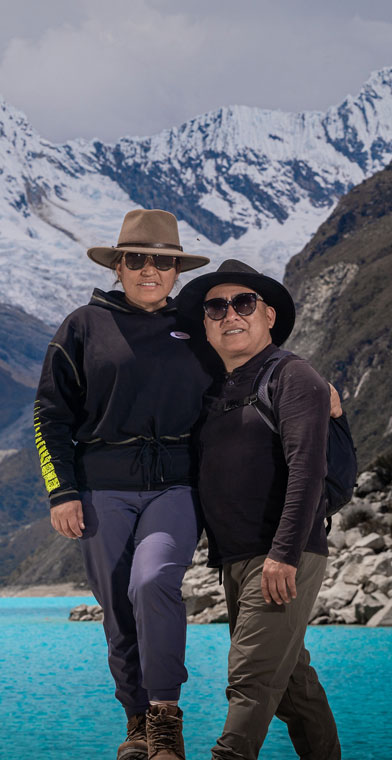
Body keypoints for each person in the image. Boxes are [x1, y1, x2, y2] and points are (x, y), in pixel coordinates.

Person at [34, 209, 214, 760]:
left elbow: (249, 365)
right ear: (118, 266)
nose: (150, 270)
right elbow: (49, 414)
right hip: (99, 491)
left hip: (176, 488)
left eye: (162, 262)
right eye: (137, 260)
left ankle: (165, 718)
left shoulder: (197, 326)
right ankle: (136, 724)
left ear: (176, 270)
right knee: (115, 607)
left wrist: (312, 390)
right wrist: (60, 491)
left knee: (152, 581)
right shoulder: (82, 326)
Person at [175, 259, 341, 760]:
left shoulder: (293, 376)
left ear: (268, 314)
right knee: (292, 686)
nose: (231, 314)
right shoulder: (216, 391)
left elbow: (307, 468)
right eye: (216, 307)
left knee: (249, 681)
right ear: (205, 325)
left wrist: (284, 553)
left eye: (243, 303)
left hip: (281, 555)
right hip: (236, 558)